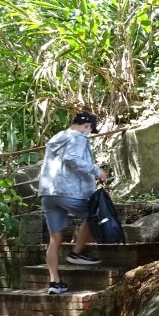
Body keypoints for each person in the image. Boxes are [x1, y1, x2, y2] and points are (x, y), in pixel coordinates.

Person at [37, 111, 108, 295]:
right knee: (96, 213)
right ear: (87, 126)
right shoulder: (78, 137)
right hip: (67, 191)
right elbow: (71, 158)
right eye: (90, 130)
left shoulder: (57, 137)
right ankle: (76, 253)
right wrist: (96, 170)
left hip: (47, 193)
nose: (89, 133)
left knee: (55, 239)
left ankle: (55, 282)